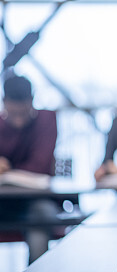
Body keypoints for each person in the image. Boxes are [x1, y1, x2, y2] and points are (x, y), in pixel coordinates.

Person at [0, 75, 58, 264]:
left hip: (35, 201)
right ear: (4, 103)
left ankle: (37, 268)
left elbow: (40, 166)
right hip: (3, 202)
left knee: (41, 218)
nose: (18, 121)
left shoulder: (47, 120)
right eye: (13, 113)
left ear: (31, 102)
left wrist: (8, 169)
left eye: (22, 114)